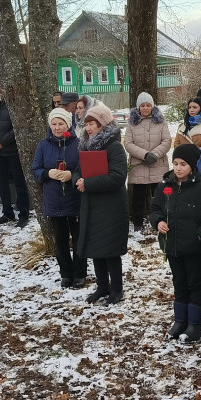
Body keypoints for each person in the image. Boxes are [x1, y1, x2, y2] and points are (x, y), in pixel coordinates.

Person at [150, 144, 201, 342]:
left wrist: (199, 234)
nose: (178, 168)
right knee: (179, 282)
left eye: (183, 164)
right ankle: (180, 319)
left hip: (194, 247)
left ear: (193, 166)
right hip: (172, 245)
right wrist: (158, 221)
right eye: (175, 163)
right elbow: (155, 208)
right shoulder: (164, 186)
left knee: (196, 282)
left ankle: (195, 323)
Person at [73, 104, 129, 305]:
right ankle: (102, 287)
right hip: (91, 206)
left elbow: (118, 176)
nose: (88, 128)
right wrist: (77, 180)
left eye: (92, 124)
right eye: (86, 124)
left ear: (103, 125)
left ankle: (116, 290)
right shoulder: (86, 146)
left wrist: (88, 183)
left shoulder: (114, 147)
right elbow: (77, 171)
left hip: (111, 207)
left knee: (110, 251)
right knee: (95, 249)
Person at [31, 108, 85, 289]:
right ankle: (66, 274)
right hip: (54, 200)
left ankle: (79, 274)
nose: (57, 127)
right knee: (60, 241)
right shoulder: (43, 145)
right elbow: (35, 170)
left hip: (75, 198)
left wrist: (72, 175)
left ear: (68, 125)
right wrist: (48, 173)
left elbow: (85, 168)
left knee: (78, 238)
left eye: (60, 123)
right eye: (54, 124)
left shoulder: (78, 144)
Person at [0, 78, 30, 227]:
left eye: (1, 85)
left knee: (19, 183)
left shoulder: (14, 105)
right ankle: (7, 212)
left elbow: (17, 128)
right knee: (2, 184)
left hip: (13, 151)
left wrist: (2, 142)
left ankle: (23, 213)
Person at [123, 92, 171, 232]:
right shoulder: (132, 123)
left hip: (158, 164)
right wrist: (144, 155)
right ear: (138, 108)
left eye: (148, 105)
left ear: (152, 106)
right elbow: (128, 143)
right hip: (139, 165)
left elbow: (167, 141)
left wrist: (155, 154)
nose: (145, 108)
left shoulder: (161, 121)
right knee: (138, 197)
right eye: (142, 105)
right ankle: (137, 221)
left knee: (159, 195)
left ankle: (159, 220)